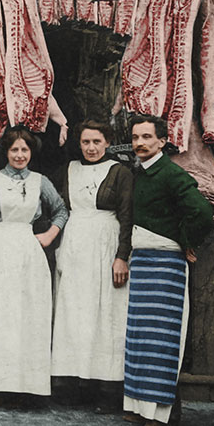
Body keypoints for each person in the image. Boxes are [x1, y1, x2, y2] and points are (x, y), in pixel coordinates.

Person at [0, 125, 68, 407]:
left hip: (28, 252)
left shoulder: (40, 182)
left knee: (27, 318)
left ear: (32, 152)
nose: (20, 155)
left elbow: (61, 210)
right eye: (14, 149)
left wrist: (49, 235)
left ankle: (25, 388)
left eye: (25, 149)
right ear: (5, 152)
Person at [123, 114, 212, 426]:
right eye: (135, 138)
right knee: (140, 339)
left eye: (147, 137)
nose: (140, 143)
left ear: (162, 141)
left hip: (165, 264)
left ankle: (158, 417)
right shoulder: (143, 172)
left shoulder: (172, 173)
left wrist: (186, 240)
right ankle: (141, 408)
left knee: (161, 341)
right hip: (143, 262)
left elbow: (201, 213)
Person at [50, 119, 134, 411]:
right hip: (75, 245)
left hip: (105, 245)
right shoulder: (69, 170)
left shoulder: (120, 172)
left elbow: (127, 215)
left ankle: (107, 390)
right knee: (74, 312)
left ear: (107, 142)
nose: (91, 148)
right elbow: (58, 208)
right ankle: (74, 386)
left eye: (97, 142)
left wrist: (122, 256)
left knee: (105, 315)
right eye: (86, 142)